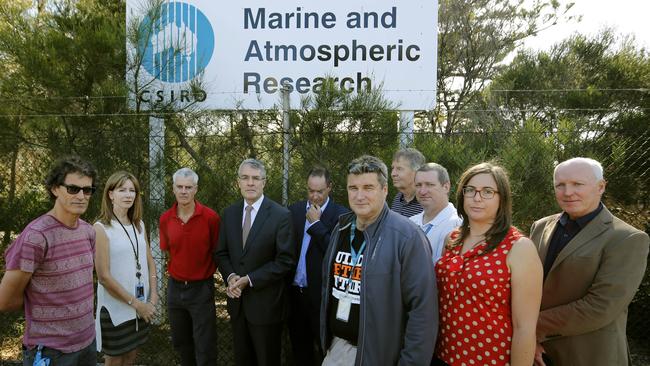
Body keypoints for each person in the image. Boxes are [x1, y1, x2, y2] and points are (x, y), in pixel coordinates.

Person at [529, 157, 649, 366]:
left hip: (588, 354)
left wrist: (529, 329)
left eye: (578, 184)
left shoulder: (627, 238)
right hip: (535, 352)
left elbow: (601, 307)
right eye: (560, 185)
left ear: (601, 186)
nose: (567, 192)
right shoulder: (540, 227)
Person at [320, 155, 437, 365]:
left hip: (380, 356)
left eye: (368, 187)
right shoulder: (341, 229)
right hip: (336, 349)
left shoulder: (407, 237)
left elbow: (423, 312)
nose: (359, 196)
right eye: (353, 188)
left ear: (384, 190)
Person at [434, 162, 542, 366]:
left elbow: (525, 328)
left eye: (487, 192)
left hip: (489, 359)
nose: (477, 198)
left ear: (502, 199)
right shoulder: (452, 239)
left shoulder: (519, 248)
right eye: (470, 190)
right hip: (442, 356)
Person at [0, 156, 98, 365]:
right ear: (55, 189)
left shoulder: (88, 232)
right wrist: (45, 310)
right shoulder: (36, 236)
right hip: (52, 352)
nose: (81, 196)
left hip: (88, 343)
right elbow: (6, 300)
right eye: (73, 189)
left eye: (87, 190)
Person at [216, 158, 294, 366]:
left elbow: (285, 261)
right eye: (245, 178)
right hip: (237, 304)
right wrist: (232, 277)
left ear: (264, 182)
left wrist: (249, 279)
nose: (250, 183)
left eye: (255, 178)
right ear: (238, 182)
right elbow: (221, 253)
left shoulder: (280, 215)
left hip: (266, 307)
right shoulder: (229, 213)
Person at [94, 171, 158, 365]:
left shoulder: (139, 224)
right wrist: (137, 304)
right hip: (117, 308)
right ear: (111, 194)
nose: (129, 195)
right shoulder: (101, 228)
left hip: (141, 307)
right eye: (122, 190)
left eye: (132, 191)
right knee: (115, 359)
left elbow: (149, 262)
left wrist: (153, 297)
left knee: (131, 356)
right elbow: (103, 277)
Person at [287, 166, 349, 365]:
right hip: (295, 294)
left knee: (325, 350)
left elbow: (336, 252)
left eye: (319, 191)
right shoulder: (294, 211)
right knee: (299, 348)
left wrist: (316, 225)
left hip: (323, 297)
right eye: (310, 190)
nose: (314, 196)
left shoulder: (341, 215)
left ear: (329, 187)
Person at [159, 167, 220, 366]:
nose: (183, 191)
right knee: (182, 343)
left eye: (188, 187)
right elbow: (168, 250)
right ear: (173, 189)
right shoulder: (165, 219)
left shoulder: (210, 217)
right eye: (179, 187)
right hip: (175, 288)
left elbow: (216, 251)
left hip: (202, 288)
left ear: (196, 189)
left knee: (205, 346)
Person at [409, 163, 462, 263]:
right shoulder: (410, 222)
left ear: (446, 187)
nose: (422, 191)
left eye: (429, 185)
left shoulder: (456, 225)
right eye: (418, 185)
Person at [390, 147, 425, 217]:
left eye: (399, 169)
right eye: (393, 168)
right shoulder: (398, 199)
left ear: (416, 172)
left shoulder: (426, 201)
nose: (393, 174)